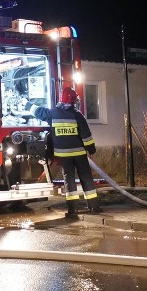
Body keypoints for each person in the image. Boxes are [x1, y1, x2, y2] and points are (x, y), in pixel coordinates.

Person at [24, 86, 101, 218]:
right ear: (72, 101)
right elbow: (86, 135)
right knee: (86, 178)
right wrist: (91, 150)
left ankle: (73, 210)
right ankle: (93, 206)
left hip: (64, 156)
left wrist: (26, 104)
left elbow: (38, 111)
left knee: (69, 181)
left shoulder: (52, 114)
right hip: (80, 154)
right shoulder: (77, 115)